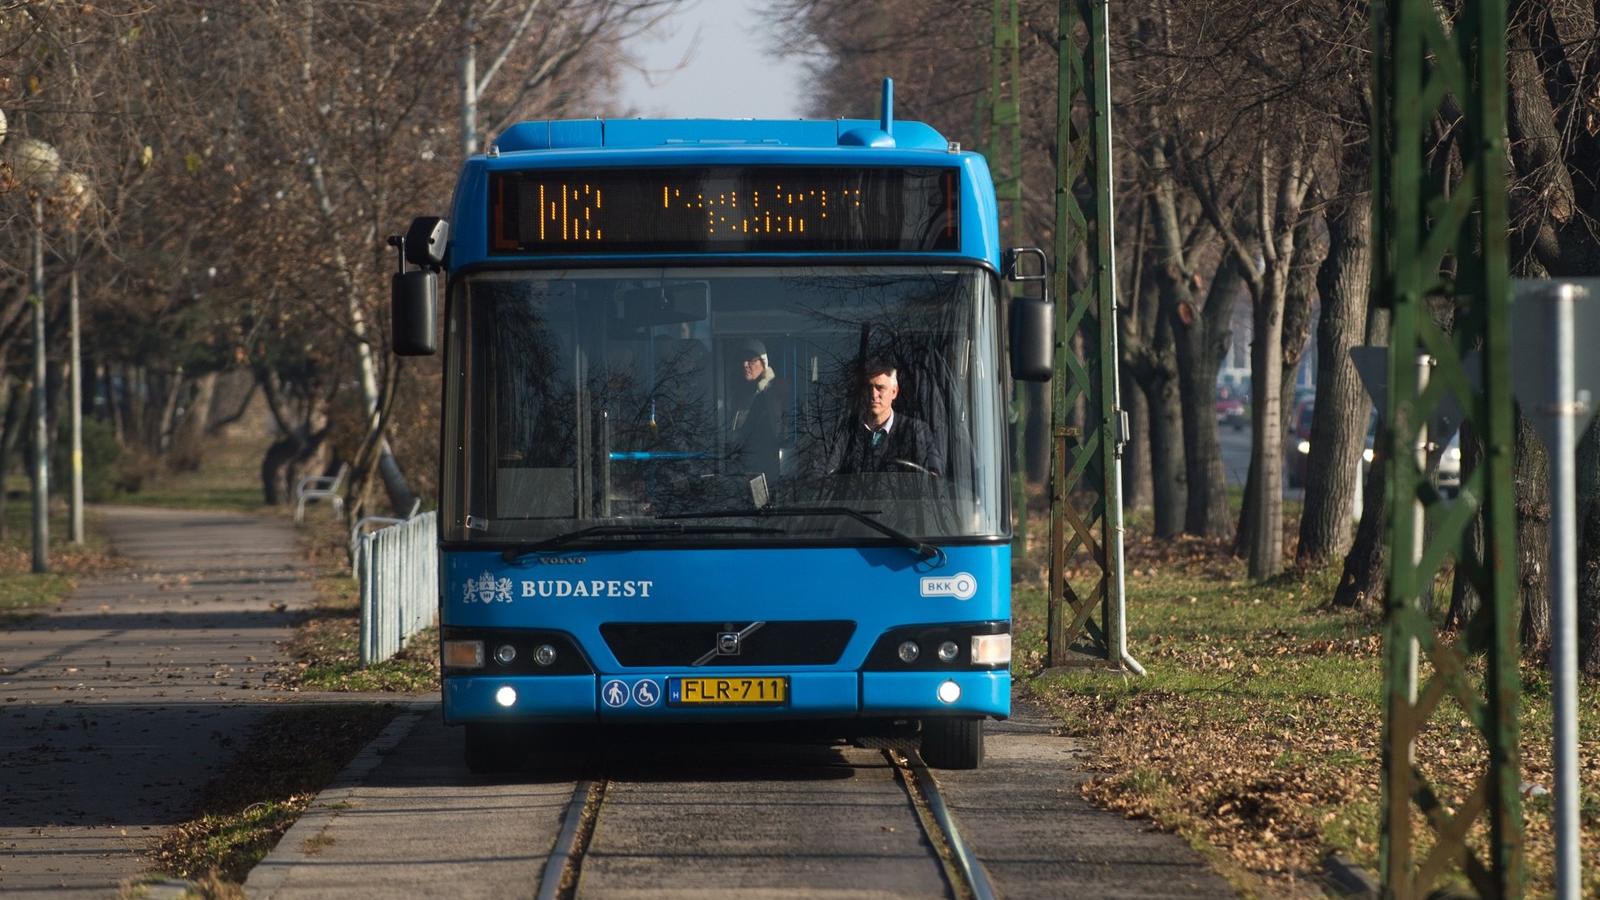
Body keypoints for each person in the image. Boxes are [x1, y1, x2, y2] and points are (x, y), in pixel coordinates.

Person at [824, 359, 943, 476]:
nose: (873, 395)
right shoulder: (846, 433)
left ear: (894, 392)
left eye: (880, 388)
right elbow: (820, 476)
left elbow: (934, 482)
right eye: (868, 388)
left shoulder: (917, 432)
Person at [728, 338, 783, 482]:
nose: (745, 364)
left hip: (763, 472)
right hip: (739, 468)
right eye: (743, 360)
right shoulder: (738, 393)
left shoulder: (773, 395)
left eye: (751, 360)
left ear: (764, 363)